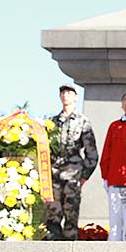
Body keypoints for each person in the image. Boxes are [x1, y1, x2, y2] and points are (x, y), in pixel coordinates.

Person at [43, 84, 99, 240]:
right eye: (62, 93)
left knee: (71, 216)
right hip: (53, 175)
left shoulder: (82, 122)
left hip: (73, 175)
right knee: (52, 216)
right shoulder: (51, 122)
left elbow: (92, 153)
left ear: (75, 97)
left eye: (69, 92)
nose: (65, 95)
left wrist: (84, 176)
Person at [100, 91, 126, 241]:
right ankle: (113, 249)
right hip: (115, 180)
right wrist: (105, 176)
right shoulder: (115, 126)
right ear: (121, 104)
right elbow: (106, 153)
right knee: (115, 219)